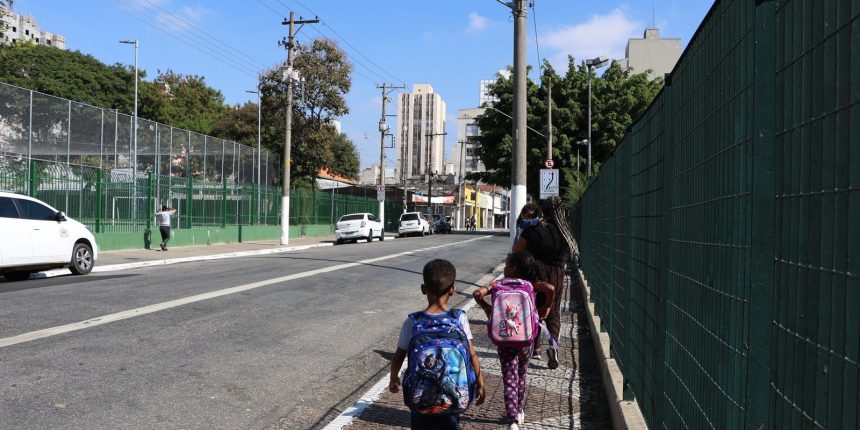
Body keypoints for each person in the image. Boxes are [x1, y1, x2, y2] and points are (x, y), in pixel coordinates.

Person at [389, 259, 486, 430]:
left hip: (422, 406)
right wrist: (480, 382)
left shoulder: (413, 322)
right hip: (451, 399)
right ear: (453, 290)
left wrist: (394, 378)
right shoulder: (459, 318)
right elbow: (471, 354)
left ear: (423, 289)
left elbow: (398, 356)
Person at [473, 251, 554, 429]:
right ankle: (519, 410)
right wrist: (546, 307)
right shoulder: (530, 284)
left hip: (504, 340)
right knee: (521, 375)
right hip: (526, 340)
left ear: (513, 268)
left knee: (509, 378)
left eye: (506, 265)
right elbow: (551, 288)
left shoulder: (498, 284)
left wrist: (488, 309)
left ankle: (513, 419)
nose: (505, 269)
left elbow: (477, 293)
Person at [512, 196, 578, 369]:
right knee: (554, 311)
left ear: (543, 210)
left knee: (534, 309)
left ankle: (535, 348)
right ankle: (554, 346)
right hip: (557, 273)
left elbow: (516, 250)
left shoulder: (534, 230)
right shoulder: (565, 231)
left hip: (535, 274)